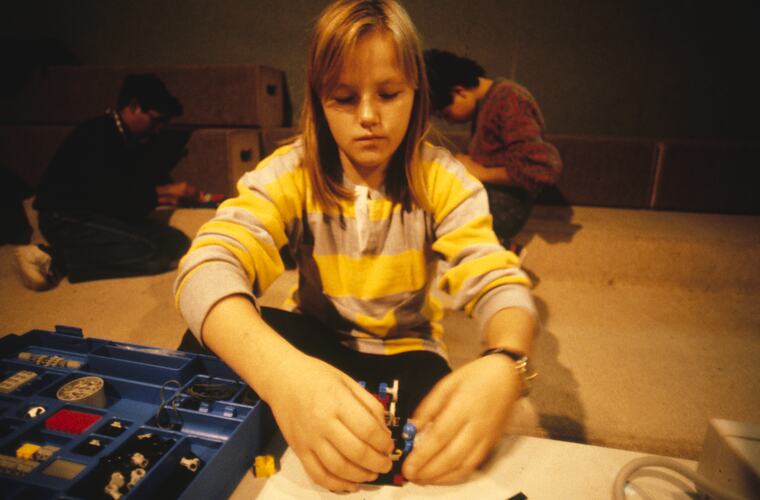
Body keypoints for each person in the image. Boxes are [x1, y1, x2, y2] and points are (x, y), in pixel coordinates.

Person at [174, 0, 537, 492]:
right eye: (344, 98)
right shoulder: (292, 170)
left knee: (442, 430)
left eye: (388, 93)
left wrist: (506, 361)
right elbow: (206, 264)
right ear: (319, 100)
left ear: (417, 92)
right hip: (314, 340)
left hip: (405, 352)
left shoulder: (445, 180)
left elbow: (496, 278)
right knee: (205, 339)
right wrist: (282, 377)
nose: (368, 116)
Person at [15, 73, 195, 290]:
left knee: (177, 242)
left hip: (98, 215)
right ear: (134, 106)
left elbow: (125, 197)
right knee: (151, 254)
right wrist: (162, 192)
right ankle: (54, 258)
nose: (159, 128)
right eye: (156, 120)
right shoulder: (98, 134)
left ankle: (64, 256)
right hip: (64, 216)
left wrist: (164, 196)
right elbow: (106, 197)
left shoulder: (126, 137)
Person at [424, 48, 562, 250]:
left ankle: (502, 249)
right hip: (493, 194)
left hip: (507, 204)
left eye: (445, 114)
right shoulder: (490, 101)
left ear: (459, 91)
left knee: (440, 216)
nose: (449, 122)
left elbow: (542, 170)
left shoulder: (510, 100)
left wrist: (481, 172)